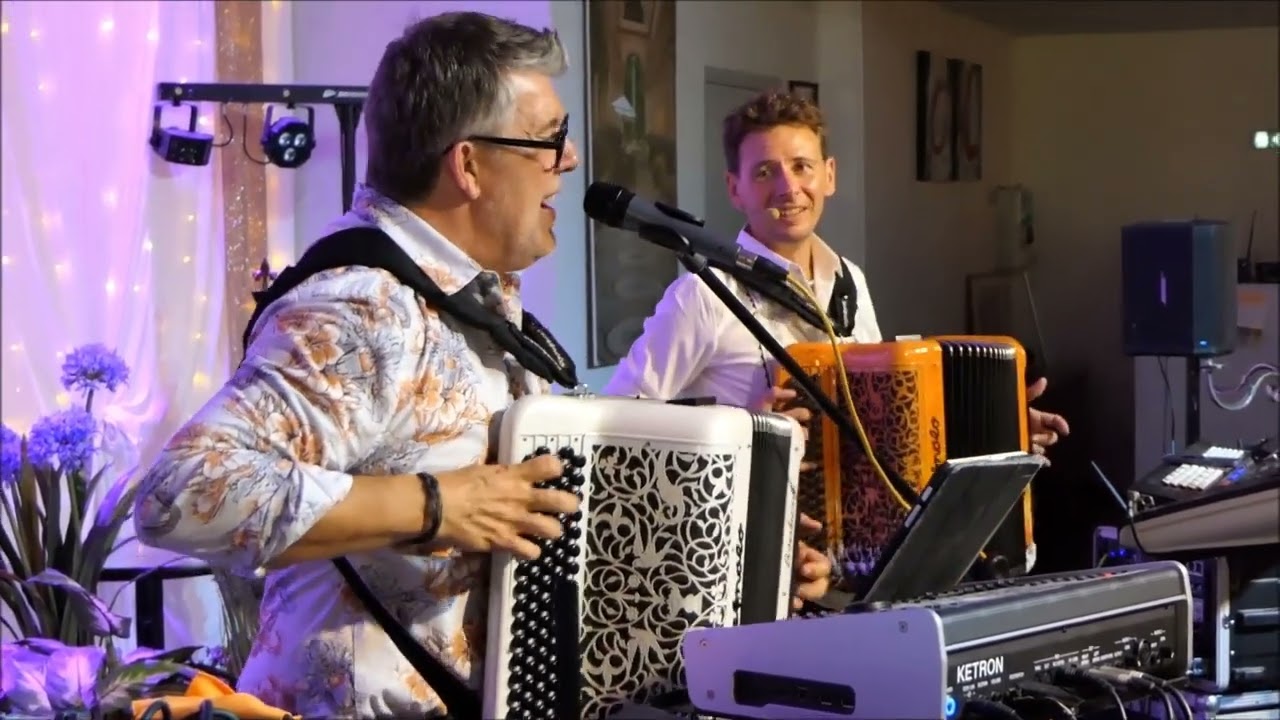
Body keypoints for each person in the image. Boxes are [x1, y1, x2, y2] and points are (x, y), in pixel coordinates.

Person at [133, 14, 829, 719]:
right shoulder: (364, 306)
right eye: (550, 139)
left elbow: (539, 500)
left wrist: (744, 543)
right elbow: (180, 495)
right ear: (468, 165)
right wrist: (439, 505)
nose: (571, 159)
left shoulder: (470, 299)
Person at [605, 90, 1069, 454]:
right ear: (735, 188)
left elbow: (883, 414)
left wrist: (996, 432)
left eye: (801, 167)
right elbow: (616, 421)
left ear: (829, 175)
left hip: (841, 545)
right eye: (765, 172)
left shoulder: (849, 280)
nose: (788, 188)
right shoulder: (703, 294)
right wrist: (742, 429)